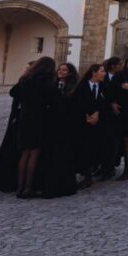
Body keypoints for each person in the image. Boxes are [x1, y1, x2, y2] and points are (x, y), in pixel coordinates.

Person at [9, 56, 57, 198]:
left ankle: (20, 187)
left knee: (25, 153)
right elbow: (52, 97)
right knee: (34, 153)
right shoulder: (45, 80)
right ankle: (28, 187)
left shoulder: (26, 79)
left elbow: (13, 92)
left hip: (25, 118)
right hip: (39, 118)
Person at [41, 63, 80, 198]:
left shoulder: (73, 87)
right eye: (60, 69)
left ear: (70, 73)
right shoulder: (52, 84)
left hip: (66, 125)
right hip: (51, 125)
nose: (61, 71)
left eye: (64, 70)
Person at [72, 64, 108, 189]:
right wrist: (86, 115)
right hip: (83, 123)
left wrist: (98, 113)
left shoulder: (103, 87)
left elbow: (105, 103)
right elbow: (77, 102)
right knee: (83, 149)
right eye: (102, 71)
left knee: (93, 149)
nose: (104, 73)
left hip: (97, 124)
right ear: (94, 72)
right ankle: (83, 173)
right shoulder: (82, 86)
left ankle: (89, 173)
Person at [99, 56, 124, 179]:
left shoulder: (122, 77)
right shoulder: (103, 76)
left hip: (117, 114)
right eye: (119, 64)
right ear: (113, 66)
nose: (121, 66)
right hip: (104, 113)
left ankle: (110, 166)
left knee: (114, 141)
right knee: (103, 140)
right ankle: (102, 166)